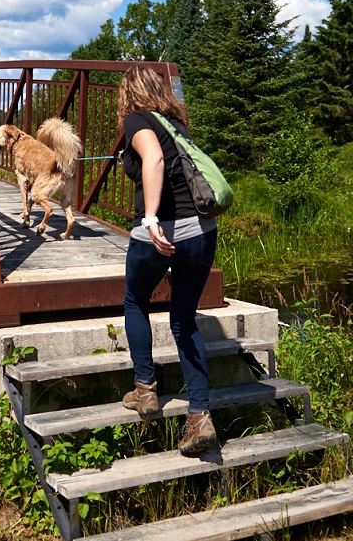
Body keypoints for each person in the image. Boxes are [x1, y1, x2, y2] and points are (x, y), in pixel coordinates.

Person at [116, 65, 219, 455]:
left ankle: (145, 390)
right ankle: (200, 417)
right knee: (184, 320)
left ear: (130, 94)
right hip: (203, 230)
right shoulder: (175, 122)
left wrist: (151, 218)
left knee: (135, 300)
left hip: (163, 230)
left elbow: (154, 161)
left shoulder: (138, 120)